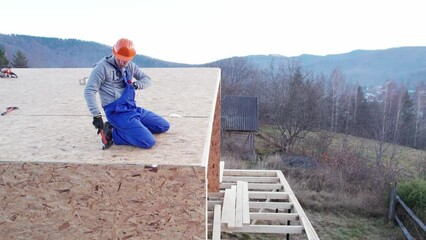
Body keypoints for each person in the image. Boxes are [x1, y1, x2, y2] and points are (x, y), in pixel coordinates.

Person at [84, 38, 170, 149]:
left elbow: (147, 79)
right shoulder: (102, 67)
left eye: (125, 60)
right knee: (148, 142)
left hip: (131, 109)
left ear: (131, 58)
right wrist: (96, 115)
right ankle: (113, 131)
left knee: (163, 126)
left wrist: (136, 85)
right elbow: (89, 90)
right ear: (114, 52)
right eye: (119, 59)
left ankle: (133, 129)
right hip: (117, 113)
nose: (121, 63)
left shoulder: (130, 66)